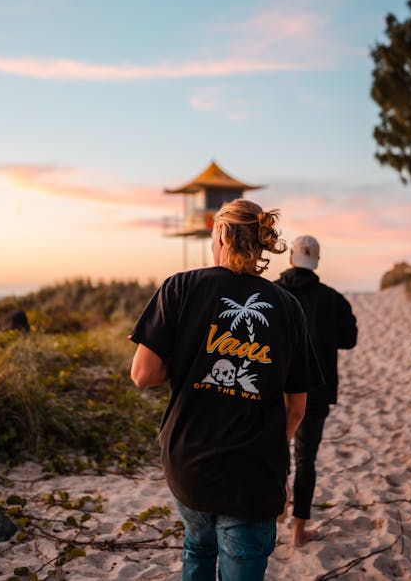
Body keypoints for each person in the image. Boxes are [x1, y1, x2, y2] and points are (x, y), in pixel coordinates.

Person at [129, 199, 322, 581]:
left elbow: (142, 374)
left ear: (220, 233)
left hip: (189, 464)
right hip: (252, 473)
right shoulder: (287, 307)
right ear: (260, 242)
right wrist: (276, 447)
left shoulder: (180, 287)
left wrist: (188, 361)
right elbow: (297, 408)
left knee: (197, 548)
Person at [275, 235, 358, 548]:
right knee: (306, 458)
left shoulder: (272, 291)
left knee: (276, 450)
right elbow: (349, 339)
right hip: (315, 390)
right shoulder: (332, 299)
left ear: (291, 259)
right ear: (317, 261)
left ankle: (276, 502)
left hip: (274, 389)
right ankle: (298, 532)